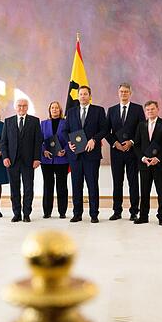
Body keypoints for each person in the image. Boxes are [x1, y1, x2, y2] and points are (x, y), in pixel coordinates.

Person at [64, 85, 108, 223]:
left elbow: (105, 129)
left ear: (90, 96)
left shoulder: (98, 111)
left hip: (91, 155)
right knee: (76, 185)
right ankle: (77, 214)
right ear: (77, 96)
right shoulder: (71, 112)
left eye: (85, 94)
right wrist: (69, 142)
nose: (82, 96)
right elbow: (65, 131)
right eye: (80, 94)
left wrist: (94, 140)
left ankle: (94, 214)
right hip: (75, 155)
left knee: (92, 184)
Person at [106, 82, 145, 221]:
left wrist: (132, 142)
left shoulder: (138, 109)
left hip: (132, 152)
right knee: (117, 182)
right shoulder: (111, 110)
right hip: (116, 152)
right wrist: (115, 143)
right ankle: (117, 211)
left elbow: (142, 130)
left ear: (130, 93)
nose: (123, 94)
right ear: (118, 93)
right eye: (121, 91)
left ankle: (134, 211)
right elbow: (106, 131)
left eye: (126, 92)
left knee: (133, 182)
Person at [1, 98, 43, 222]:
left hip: (29, 161)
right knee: (14, 188)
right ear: (15, 107)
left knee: (28, 188)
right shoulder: (8, 122)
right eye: (19, 106)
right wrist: (5, 157)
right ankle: (16, 213)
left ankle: (26, 214)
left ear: (27, 107)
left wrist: (37, 158)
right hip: (12, 161)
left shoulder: (34, 121)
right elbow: (4, 142)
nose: (21, 108)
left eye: (24, 106)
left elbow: (38, 142)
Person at [133, 101, 162, 226]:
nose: (150, 111)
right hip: (144, 165)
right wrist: (143, 158)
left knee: (161, 191)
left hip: (159, 164)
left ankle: (161, 217)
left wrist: (158, 158)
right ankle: (143, 216)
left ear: (158, 109)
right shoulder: (141, 125)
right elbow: (137, 145)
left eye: (152, 109)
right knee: (144, 192)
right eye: (148, 110)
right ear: (145, 111)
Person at [40, 101, 69, 219]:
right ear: (49, 110)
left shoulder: (66, 123)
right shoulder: (43, 124)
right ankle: (47, 211)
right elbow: (39, 140)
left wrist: (65, 150)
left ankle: (62, 211)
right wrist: (43, 151)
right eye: (52, 108)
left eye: (57, 108)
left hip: (62, 160)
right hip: (47, 160)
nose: (55, 110)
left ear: (60, 110)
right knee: (47, 185)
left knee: (62, 186)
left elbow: (70, 139)